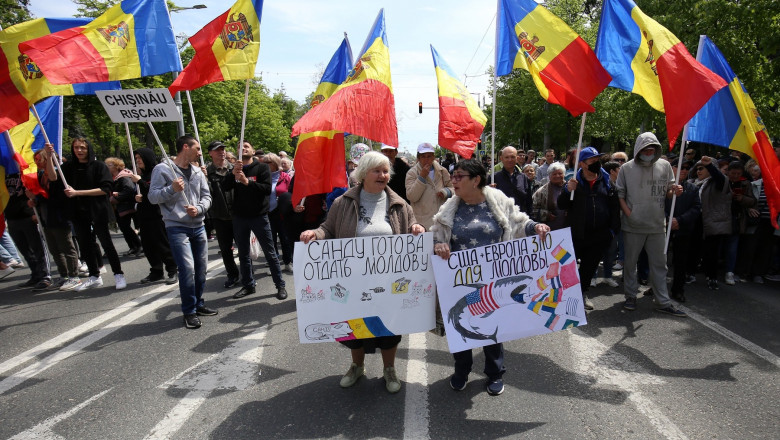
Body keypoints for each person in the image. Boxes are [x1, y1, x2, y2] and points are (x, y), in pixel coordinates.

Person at [300, 151, 425, 394]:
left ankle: (389, 369)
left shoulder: (399, 203)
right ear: (363, 173)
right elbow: (328, 228)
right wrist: (315, 234)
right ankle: (357, 366)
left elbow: (411, 226)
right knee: (353, 327)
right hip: (353, 281)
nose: (382, 175)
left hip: (388, 281)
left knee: (389, 328)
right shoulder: (343, 202)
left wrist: (416, 227)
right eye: (376, 170)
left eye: (386, 171)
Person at [432, 159, 549, 396]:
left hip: (494, 279)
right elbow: (436, 235)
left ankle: (495, 373)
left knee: (493, 327)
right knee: (461, 326)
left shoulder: (498, 200)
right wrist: (438, 245)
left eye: (459, 176)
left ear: (476, 180)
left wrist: (535, 227)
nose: (453, 181)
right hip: (461, 281)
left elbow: (519, 222)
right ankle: (461, 371)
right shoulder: (449, 208)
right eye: (453, 176)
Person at [148, 135, 215, 329]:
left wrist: (199, 208)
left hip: (199, 225)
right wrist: (172, 189)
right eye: (197, 148)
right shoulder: (162, 169)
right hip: (177, 226)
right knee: (187, 269)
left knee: (201, 269)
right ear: (186, 147)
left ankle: (198, 303)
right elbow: (152, 197)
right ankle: (189, 311)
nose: (200, 153)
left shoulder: (197, 171)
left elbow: (207, 196)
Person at [615, 133, 686, 316]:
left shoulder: (665, 165)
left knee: (660, 264)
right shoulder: (627, 168)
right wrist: (630, 214)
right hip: (633, 225)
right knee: (630, 263)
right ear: (638, 149)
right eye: (645, 150)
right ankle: (630, 296)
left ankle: (662, 301)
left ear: (656, 149)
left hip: (657, 224)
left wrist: (675, 190)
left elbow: (668, 191)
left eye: (651, 150)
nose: (648, 153)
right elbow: (620, 194)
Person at [57, 138, 125, 290]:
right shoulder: (68, 167)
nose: (79, 150)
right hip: (78, 211)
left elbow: (105, 189)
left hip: (98, 210)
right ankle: (94, 276)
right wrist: (49, 157)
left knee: (106, 242)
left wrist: (77, 192)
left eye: (83, 147)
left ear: (88, 149)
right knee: (85, 244)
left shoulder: (99, 166)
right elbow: (55, 179)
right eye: (76, 147)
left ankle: (118, 274)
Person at [558, 147, 620, 310]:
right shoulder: (573, 182)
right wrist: (567, 191)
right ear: (582, 164)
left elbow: (614, 208)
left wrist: (612, 231)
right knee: (568, 268)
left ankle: (581, 295)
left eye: (597, 160)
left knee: (588, 268)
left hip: (599, 236)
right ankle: (563, 297)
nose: (596, 163)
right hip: (576, 234)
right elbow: (561, 204)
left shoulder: (606, 182)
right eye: (592, 161)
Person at [227, 142, 287, 301]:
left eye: (246, 146)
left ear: (253, 151)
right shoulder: (235, 169)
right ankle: (248, 285)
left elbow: (266, 189)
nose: (243, 148)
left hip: (259, 216)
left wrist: (247, 182)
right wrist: (233, 174)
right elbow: (225, 186)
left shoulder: (262, 168)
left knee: (270, 253)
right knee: (243, 254)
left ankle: (280, 285)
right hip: (240, 217)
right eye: (239, 146)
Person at [31, 145, 81, 290]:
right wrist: (34, 200)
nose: (36, 162)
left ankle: (74, 276)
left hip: (60, 216)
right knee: (54, 250)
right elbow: (42, 196)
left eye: (39, 159)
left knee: (67, 247)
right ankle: (63, 276)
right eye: (35, 160)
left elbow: (54, 185)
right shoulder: (40, 175)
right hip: (46, 218)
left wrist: (49, 155)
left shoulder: (60, 173)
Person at [132, 148, 178, 285]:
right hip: (144, 215)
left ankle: (172, 270)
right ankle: (156, 271)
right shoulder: (142, 175)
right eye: (136, 158)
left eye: (140, 157)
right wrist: (137, 197)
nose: (138, 160)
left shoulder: (156, 173)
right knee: (148, 246)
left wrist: (140, 182)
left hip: (157, 215)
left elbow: (154, 193)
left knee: (162, 244)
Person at [5, 169, 51, 290]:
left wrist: (37, 212)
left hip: (28, 215)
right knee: (25, 250)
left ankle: (45, 276)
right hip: (11, 217)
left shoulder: (25, 171)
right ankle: (35, 274)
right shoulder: (2, 173)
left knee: (38, 248)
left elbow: (37, 191)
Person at [205, 141, 240, 288]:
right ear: (210, 153)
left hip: (238, 215)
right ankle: (232, 275)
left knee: (244, 248)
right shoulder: (206, 172)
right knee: (226, 250)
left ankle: (248, 274)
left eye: (223, 149)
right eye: (217, 150)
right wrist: (204, 179)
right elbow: (206, 194)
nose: (221, 152)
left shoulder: (235, 168)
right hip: (219, 217)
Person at [665, 159, 700, 302]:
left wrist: (679, 220)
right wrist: (667, 219)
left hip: (683, 229)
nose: (684, 170)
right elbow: (657, 205)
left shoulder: (692, 188)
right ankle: (656, 286)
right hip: (664, 227)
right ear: (672, 168)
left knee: (681, 261)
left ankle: (678, 290)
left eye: (687, 168)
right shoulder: (664, 186)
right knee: (660, 260)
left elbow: (696, 208)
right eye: (681, 167)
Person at [404, 142, 453, 229]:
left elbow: (453, 188)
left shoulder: (442, 171)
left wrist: (446, 192)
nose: (426, 159)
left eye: (429, 156)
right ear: (419, 158)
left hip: (441, 221)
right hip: (422, 223)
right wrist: (421, 177)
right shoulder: (412, 173)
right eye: (423, 156)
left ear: (433, 157)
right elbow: (412, 196)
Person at [105, 157, 143, 258]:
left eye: (109, 165)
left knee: (125, 227)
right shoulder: (113, 178)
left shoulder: (124, 177)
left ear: (116, 166)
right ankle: (133, 247)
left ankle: (139, 245)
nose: (107, 167)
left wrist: (117, 196)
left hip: (127, 205)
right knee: (123, 227)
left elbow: (129, 189)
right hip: (119, 206)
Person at [262, 152, 294, 272]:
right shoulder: (262, 177)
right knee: (270, 241)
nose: (265, 164)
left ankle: (287, 262)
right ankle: (274, 265)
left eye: (268, 162)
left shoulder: (285, 177)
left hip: (282, 213)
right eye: (264, 162)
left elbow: (291, 193)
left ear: (275, 163)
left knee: (285, 239)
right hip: (267, 213)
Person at [492, 146, 532, 213]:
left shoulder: (524, 178)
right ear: (501, 159)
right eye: (507, 157)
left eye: (512, 157)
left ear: (517, 158)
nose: (510, 160)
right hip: (501, 216)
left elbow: (529, 202)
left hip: (520, 216)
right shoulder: (494, 178)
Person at [532, 162, 567, 230]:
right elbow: (532, 209)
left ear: (564, 174)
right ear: (549, 176)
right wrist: (546, 215)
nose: (557, 176)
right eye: (554, 174)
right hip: (549, 230)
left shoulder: (570, 188)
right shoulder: (541, 192)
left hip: (568, 228)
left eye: (560, 173)